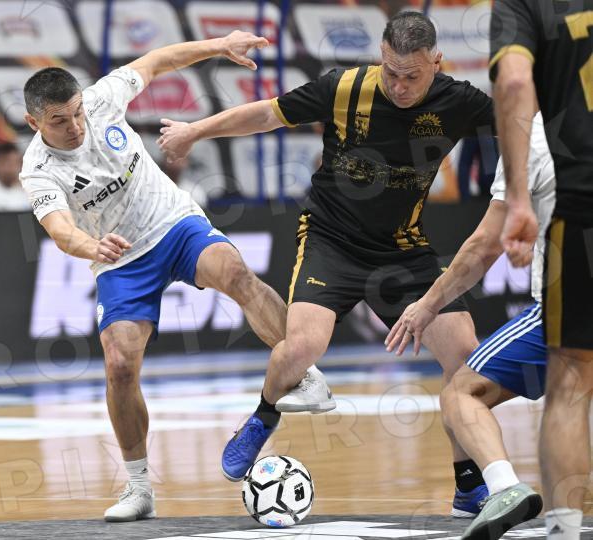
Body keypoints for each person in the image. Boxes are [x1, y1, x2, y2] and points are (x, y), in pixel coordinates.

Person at [159, 11, 496, 517]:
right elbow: (267, 114)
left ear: (437, 62)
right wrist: (194, 131)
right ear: (381, 56)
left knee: (466, 358)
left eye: (412, 76)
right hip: (330, 239)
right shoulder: (344, 88)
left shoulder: (461, 101)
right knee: (301, 348)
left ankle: (469, 485)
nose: (399, 86)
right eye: (391, 72)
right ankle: (263, 415)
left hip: (402, 250)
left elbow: (526, 126)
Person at [19, 30, 288, 522]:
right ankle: (140, 487)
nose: (74, 126)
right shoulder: (37, 168)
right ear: (33, 122)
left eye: (77, 113)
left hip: (172, 222)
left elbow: (159, 59)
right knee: (120, 364)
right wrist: (93, 246)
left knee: (235, 272)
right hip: (119, 257)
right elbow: (60, 230)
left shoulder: (101, 100)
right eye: (58, 121)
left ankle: (301, 369)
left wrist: (220, 45)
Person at [386, 113, 551, 538]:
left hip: (570, 309)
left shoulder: (532, 137)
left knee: (461, 392)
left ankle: (504, 488)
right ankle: (471, 492)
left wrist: (428, 305)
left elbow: (483, 246)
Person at [490, 1, 593, 539]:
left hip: (583, 209)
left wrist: (519, 199)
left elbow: (513, 82)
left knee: (571, 381)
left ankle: (565, 530)